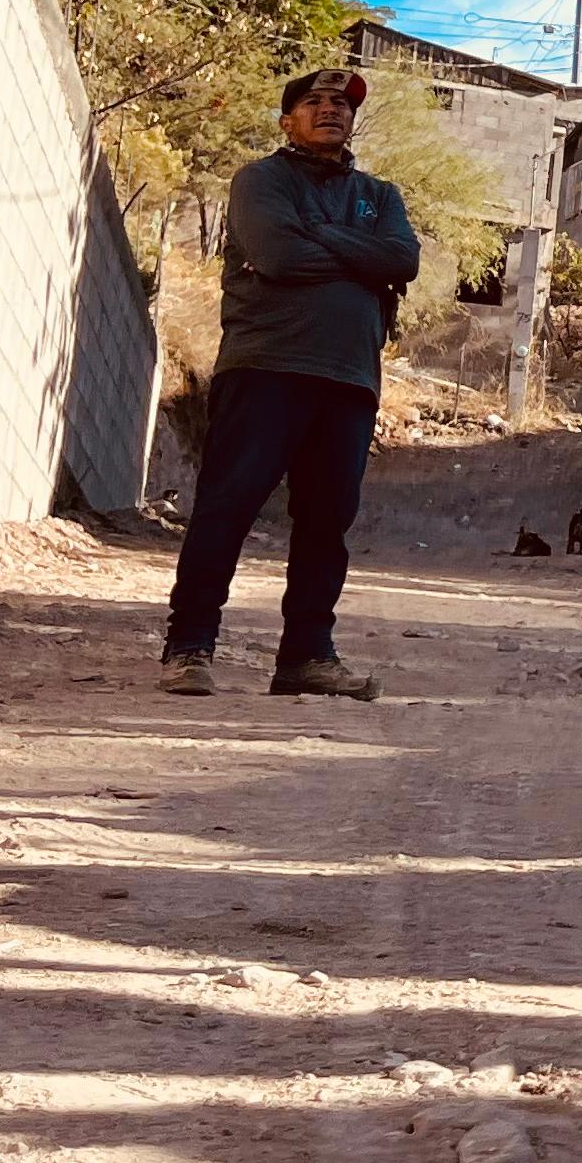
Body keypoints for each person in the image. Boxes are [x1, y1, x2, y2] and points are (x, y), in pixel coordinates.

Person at [160, 68, 419, 698]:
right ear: (287, 120)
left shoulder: (379, 195)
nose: (331, 110)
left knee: (327, 524)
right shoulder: (262, 180)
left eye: (342, 104)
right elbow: (278, 255)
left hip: (351, 379)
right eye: (315, 102)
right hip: (266, 368)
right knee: (228, 508)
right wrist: (359, 256)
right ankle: (189, 647)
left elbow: (403, 259)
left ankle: (306, 656)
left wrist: (324, 239)